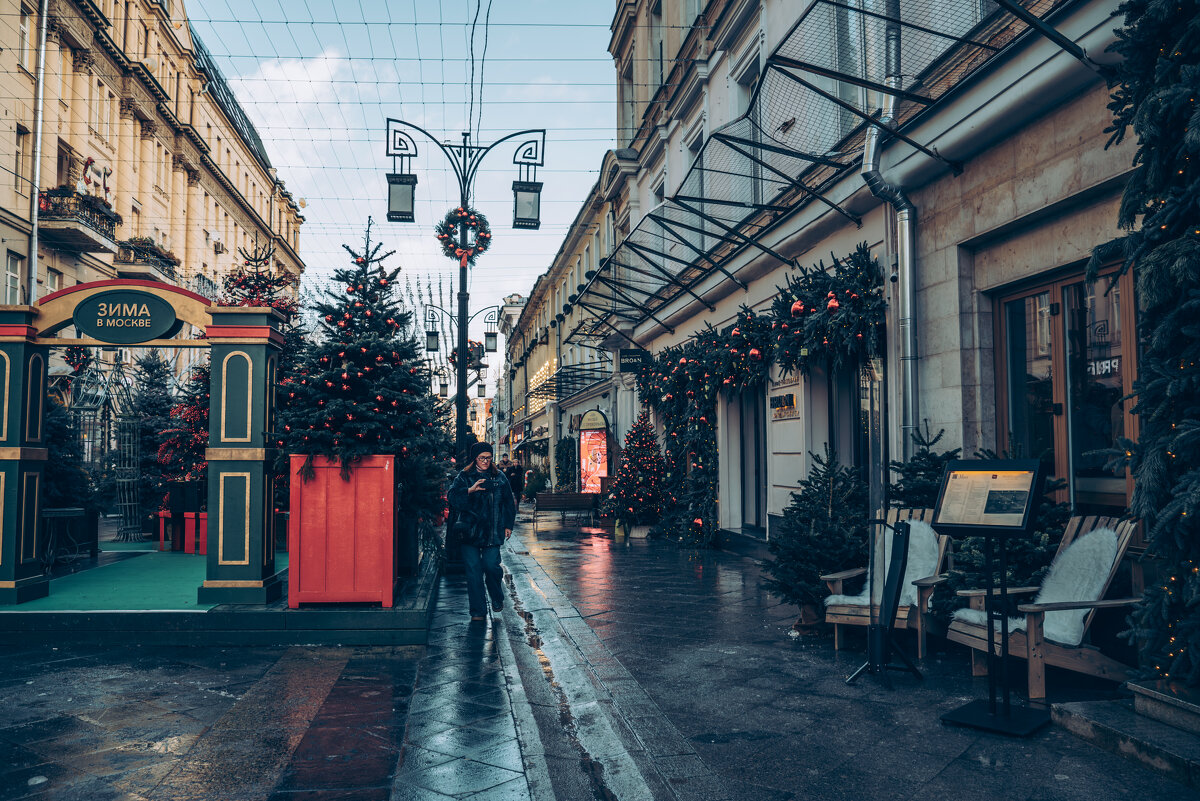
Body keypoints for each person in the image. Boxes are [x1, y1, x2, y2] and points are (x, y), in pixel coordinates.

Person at [447, 442, 516, 621]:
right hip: (469, 532)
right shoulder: (465, 476)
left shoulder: (499, 477)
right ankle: (478, 611)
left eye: (488, 458)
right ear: (475, 458)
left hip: (492, 531)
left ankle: (496, 596)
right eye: (482, 458)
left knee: (491, 566)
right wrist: (469, 490)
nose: (486, 461)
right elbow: (452, 497)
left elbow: (509, 501)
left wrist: (508, 525)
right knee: (473, 571)